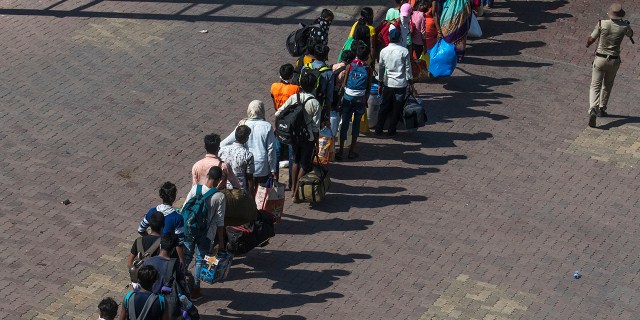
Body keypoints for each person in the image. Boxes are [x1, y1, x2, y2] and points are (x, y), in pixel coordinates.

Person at [275, 73, 321, 202]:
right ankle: (296, 192)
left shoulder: (294, 97)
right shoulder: (315, 103)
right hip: (308, 138)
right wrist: (317, 143)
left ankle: (293, 186)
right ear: (314, 86)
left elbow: (278, 113)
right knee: (304, 164)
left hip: (294, 136)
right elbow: (316, 127)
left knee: (295, 161)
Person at [586, 3, 634, 128]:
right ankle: (602, 108)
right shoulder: (624, 26)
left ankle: (593, 109)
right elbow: (631, 34)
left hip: (600, 58)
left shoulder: (602, 23)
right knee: (607, 84)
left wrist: (588, 44)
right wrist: (625, 24)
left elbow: (591, 39)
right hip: (614, 60)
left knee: (595, 85)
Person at [181, 166, 226, 300]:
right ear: (218, 180)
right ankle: (195, 290)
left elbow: (184, 208)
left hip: (189, 229)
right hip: (206, 234)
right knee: (200, 260)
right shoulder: (219, 196)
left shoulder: (196, 188)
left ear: (207, 176)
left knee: (187, 257)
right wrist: (221, 244)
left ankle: (177, 283)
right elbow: (220, 221)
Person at [221, 101, 277, 188]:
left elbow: (224, 143)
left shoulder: (243, 124)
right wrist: (273, 168)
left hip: (245, 166)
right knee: (261, 194)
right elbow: (271, 150)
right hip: (262, 167)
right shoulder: (267, 126)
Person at [337, 42, 373, 161]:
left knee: (345, 123)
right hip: (360, 99)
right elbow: (368, 87)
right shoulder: (368, 69)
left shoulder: (350, 66)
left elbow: (344, 83)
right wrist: (365, 99)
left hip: (348, 98)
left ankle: (341, 150)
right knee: (356, 124)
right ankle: (351, 151)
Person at [376, 26, 413, 136]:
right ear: (400, 38)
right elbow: (407, 69)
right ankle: (392, 129)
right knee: (397, 108)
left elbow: (381, 68)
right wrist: (411, 83)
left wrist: (380, 82)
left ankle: (379, 128)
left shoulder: (384, 51)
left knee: (384, 106)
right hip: (401, 84)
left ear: (389, 37)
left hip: (388, 83)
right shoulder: (404, 51)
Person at [137, 182, 185, 265]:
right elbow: (179, 243)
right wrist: (181, 261)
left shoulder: (152, 211)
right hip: (167, 255)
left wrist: (150, 238)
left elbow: (140, 229)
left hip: (150, 253)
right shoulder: (177, 218)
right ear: (173, 197)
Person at [219, 125, 256, 193]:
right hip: (240, 190)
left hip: (224, 187)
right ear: (246, 139)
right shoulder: (248, 155)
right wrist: (252, 194)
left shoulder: (222, 150)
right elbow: (249, 178)